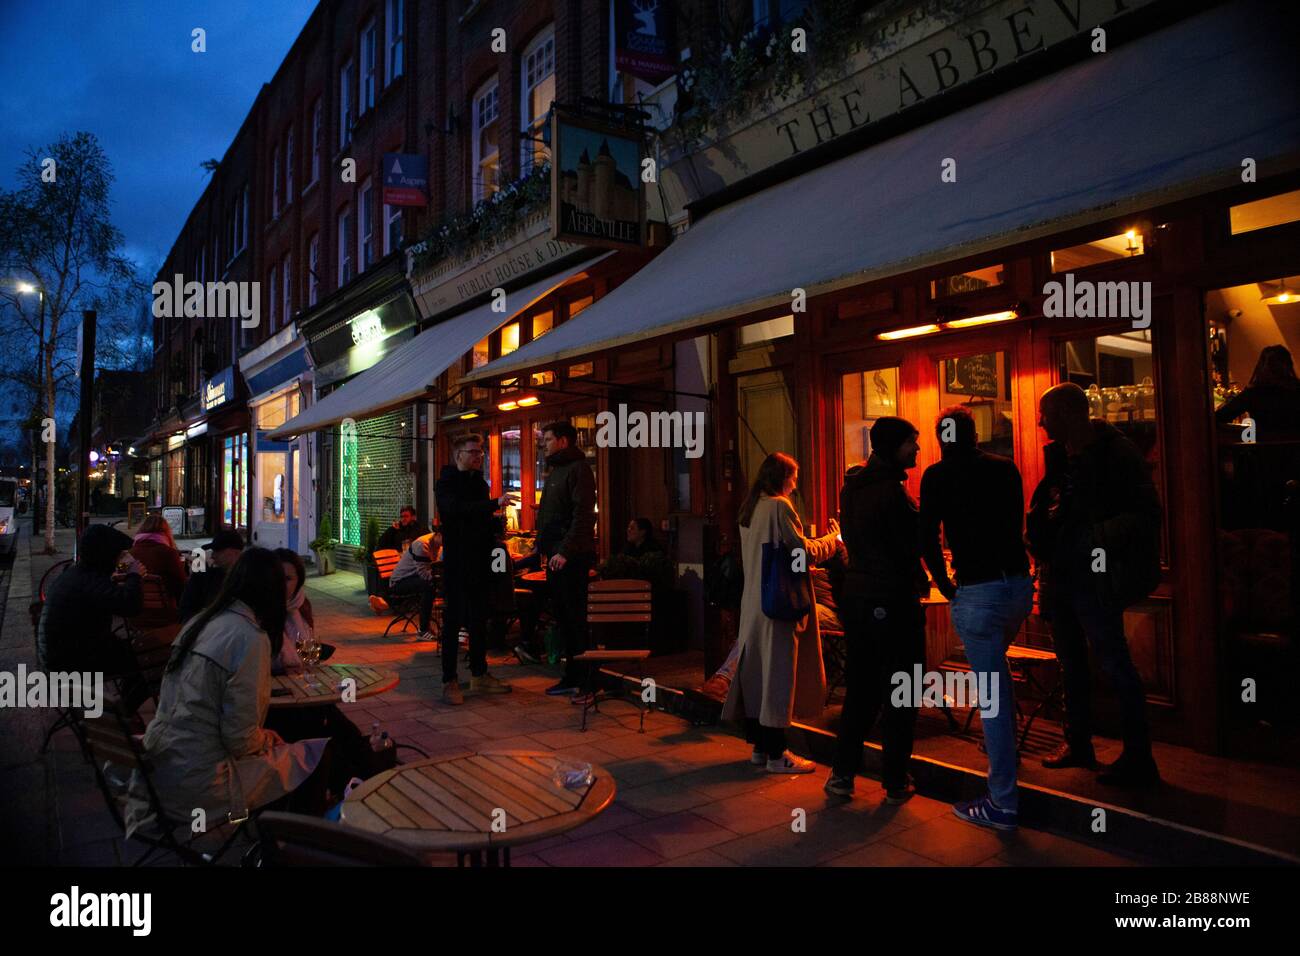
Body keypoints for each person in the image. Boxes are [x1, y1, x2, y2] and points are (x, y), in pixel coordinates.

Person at [125, 548, 335, 835]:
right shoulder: (249, 637)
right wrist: (262, 738)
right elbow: (240, 740)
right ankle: (291, 846)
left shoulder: (201, 621)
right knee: (313, 754)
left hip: (164, 764)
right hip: (202, 779)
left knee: (294, 738)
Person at [1027, 383, 1162, 787]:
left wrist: (1092, 537)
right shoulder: (1068, 456)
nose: (1039, 422)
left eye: (1045, 414)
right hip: (1066, 574)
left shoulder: (1117, 453)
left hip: (1095, 576)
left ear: (1068, 414)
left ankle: (1139, 757)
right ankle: (1079, 744)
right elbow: (1056, 508)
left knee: (1114, 664)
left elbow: (1146, 513)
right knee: (1073, 664)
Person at [920, 406, 1033, 830]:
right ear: (974, 433)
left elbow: (927, 535)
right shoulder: (1005, 469)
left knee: (993, 696)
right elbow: (1015, 521)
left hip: (977, 589)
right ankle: (1004, 754)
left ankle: (1003, 801)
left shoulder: (936, 476)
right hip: (1018, 586)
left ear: (941, 438)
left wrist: (945, 584)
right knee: (997, 681)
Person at [825, 418, 930, 803]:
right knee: (901, 690)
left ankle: (842, 774)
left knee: (862, 689)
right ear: (893, 446)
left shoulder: (852, 488)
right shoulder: (893, 493)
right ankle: (895, 779)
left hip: (858, 598)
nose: (916, 450)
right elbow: (911, 546)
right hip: (893, 600)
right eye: (911, 443)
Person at [722, 452, 840, 773]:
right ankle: (778, 755)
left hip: (755, 604)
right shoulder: (779, 507)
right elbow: (801, 552)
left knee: (759, 675)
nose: (796, 483)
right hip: (779, 605)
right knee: (778, 677)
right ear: (781, 478)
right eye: (794, 476)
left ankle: (761, 749)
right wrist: (834, 539)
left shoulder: (751, 508)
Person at [435, 433, 516, 704]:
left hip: (479, 561)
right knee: (454, 620)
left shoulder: (479, 483)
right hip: (457, 563)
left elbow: (477, 519)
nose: (479, 456)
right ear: (459, 455)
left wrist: (495, 525)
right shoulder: (446, 482)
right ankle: (449, 680)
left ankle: (479, 674)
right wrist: (493, 504)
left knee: (479, 619)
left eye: (481, 452)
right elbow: (455, 511)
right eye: (473, 452)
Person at [534, 421, 598, 696]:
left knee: (574, 617)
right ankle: (573, 674)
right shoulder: (557, 470)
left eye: (547, 439)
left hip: (570, 557)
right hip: (556, 555)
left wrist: (564, 551)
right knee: (563, 616)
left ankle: (583, 678)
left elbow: (584, 514)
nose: (543, 444)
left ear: (563, 441)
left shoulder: (578, 469)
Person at [38, 525, 143, 677]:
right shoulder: (90, 580)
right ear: (107, 555)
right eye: (120, 555)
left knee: (130, 652)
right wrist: (134, 575)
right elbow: (132, 606)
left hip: (61, 656)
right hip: (74, 663)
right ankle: (138, 699)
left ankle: (132, 697)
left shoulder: (76, 574)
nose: (120, 560)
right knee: (143, 656)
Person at [1215, 345, 1300, 439]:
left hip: (1264, 449)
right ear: (1288, 365)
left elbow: (1220, 417)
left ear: (1262, 366)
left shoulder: (1254, 392)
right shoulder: (1296, 389)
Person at [179, 528, 244, 623]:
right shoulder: (203, 577)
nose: (213, 556)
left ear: (234, 552)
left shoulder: (204, 578)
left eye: (217, 551)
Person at [388, 530, 442, 641]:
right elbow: (423, 573)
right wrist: (438, 582)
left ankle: (428, 627)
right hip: (399, 582)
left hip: (414, 579)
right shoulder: (422, 545)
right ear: (439, 534)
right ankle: (423, 630)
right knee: (429, 587)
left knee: (431, 585)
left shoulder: (438, 545)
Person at [131, 514, 188, 605]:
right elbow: (182, 584)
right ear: (166, 532)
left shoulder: (131, 553)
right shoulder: (168, 553)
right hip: (166, 611)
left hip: (135, 612)